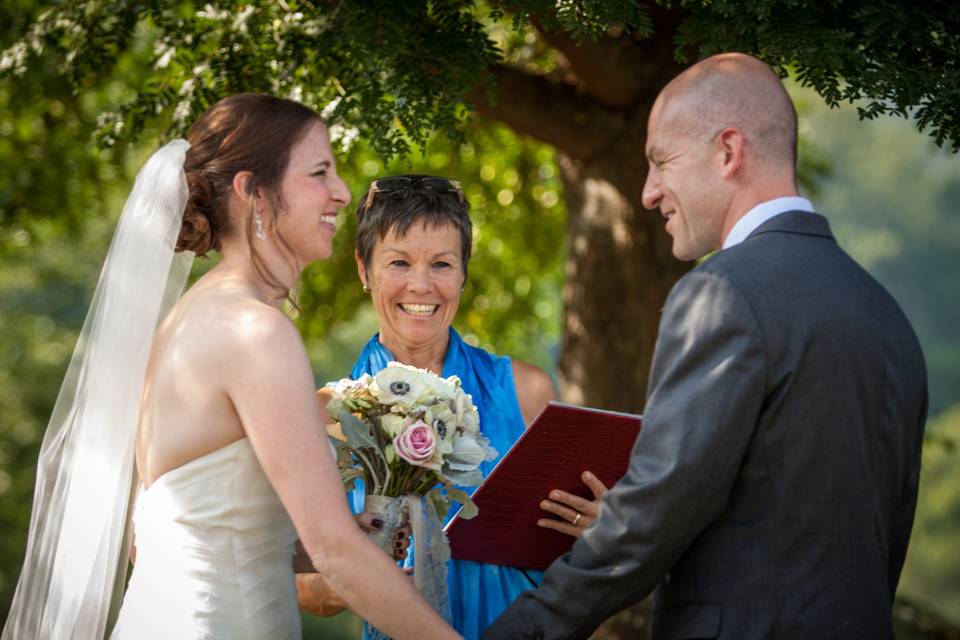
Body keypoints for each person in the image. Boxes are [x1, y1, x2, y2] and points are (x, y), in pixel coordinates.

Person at [484, 53, 928, 640]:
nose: (648, 193)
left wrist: (514, 634)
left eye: (661, 162)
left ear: (727, 152)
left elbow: (652, 520)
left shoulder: (722, 293)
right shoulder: (886, 315)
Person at [3, 94, 458, 640]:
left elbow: (160, 531)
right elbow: (334, 555)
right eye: (319, 172)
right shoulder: (254, 332)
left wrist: (291, 544)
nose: (342, 192)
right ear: (252, 192)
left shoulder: (186, 320)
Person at [298, 174, 557, 639]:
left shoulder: (527, 391)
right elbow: (304, 589)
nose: (421, 285)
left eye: (441, 264)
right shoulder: (326, 414)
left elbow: (565, 549)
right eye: (398, 262)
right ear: (363, 269)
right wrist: (369, 579)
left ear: (463, 273)